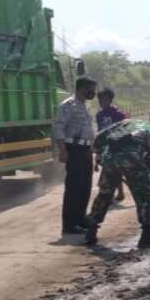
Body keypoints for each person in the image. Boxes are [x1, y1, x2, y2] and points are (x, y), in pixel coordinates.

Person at [85, 116, 150, 248]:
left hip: (109, 157)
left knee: (105, 194)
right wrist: (143, 179)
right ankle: (147, 236)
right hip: (132, 158)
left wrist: (100, 155)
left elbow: (100, 137)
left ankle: (91, 231)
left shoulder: (128, 122)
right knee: (146, 196)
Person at [53, 76, 97, 235]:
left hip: (85, 150)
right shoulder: (67, 105)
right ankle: (69, 225)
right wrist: (62, 150)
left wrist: (93, 149)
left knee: (85, 187)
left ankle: (80, 219)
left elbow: (89, 130)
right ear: (81, 88)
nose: (93, 92)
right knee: (73, 188)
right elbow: (58, 128)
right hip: (74, 150)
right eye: (90, 89)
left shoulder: (86, 106)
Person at [95, 88, 129, 202]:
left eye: (103, 99)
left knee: (114, 170)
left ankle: (116, 192)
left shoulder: (119, 114)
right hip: (105, 146)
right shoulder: (99, 115)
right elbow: (100, 131)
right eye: (99, 100)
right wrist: (98, 150)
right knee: (112, 170)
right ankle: (118, 192)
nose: (101, 102)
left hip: (117, 146)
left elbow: (125, 130)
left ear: (110, 100)